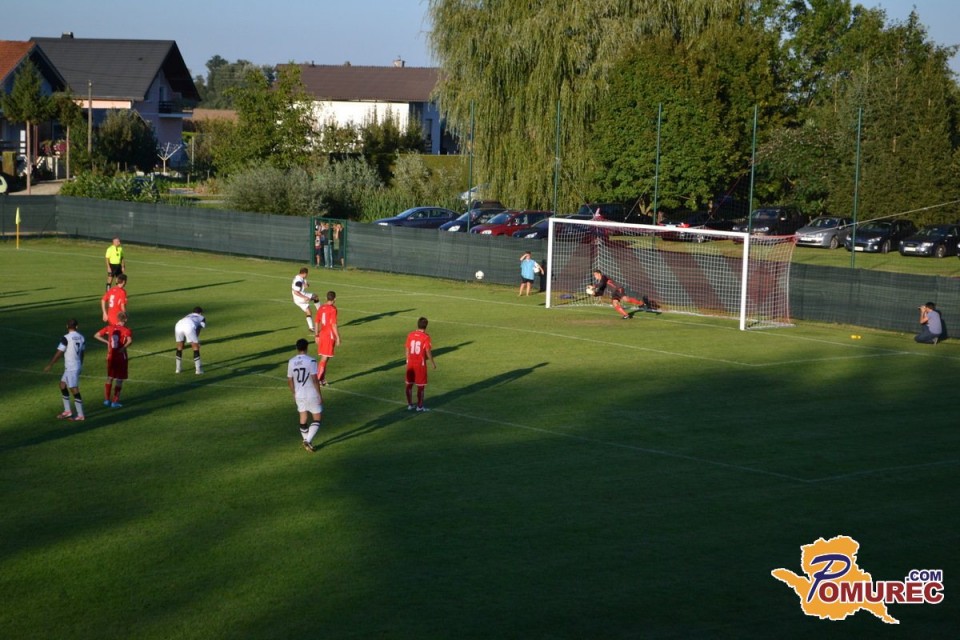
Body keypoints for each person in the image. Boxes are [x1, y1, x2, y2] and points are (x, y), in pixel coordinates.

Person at [43, 318, 86, 421]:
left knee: (74, 389)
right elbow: (82, 353)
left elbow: (59, 352)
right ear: (77, 326)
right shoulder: (81, 337)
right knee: (62, 385)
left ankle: (80, 415)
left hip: (72, 367)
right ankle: (67, 411)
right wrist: (80, 364)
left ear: (67, 326)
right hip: (75, 365)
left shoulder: (66, 338)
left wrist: (50, 364)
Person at [287, 338, 324, 452]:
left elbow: (289, 380)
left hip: (299, 394)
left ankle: (308, 441)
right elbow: (314, 379)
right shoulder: (311, 361)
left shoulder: (291, 361)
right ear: (307, 347)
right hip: (311, 393)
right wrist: (319, 394)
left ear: (297, 348)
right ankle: (307, 440)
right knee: (317, 418)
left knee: (303, 417)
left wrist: (294, 393)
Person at [94, 311, 133, 408]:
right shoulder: (126, 330)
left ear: (117, 318)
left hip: (111, 356)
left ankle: (107, 400)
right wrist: (123, 348)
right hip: (121, 357)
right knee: (119, 379)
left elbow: (96, 335)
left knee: (110, 377)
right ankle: (115, 401)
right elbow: (129, 341)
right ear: (126, 319)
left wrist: (107, 342)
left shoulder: (109, 327)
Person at [405, 316, 436, 412]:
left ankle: (410, 405)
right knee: (421, 386)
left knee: (409, 385)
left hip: (410, 363)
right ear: (426, 326)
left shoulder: (410, 335)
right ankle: (420, 406)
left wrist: (407, 360)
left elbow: (407, 348)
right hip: (420, 365)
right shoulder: (426, 337)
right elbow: (427, 351)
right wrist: (432, 362)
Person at [314, 291, 340, 386]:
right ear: (335, 299)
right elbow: (333, 324)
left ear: (326, 298)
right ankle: (317, 380)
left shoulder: (321, 308)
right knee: (324, 358)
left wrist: (316, 335)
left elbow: (316, 322)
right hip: (329, 335)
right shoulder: (333, 309)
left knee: (326, 357)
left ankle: (322, 379)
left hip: (322, 334)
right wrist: (338, 337)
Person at [175, 307, 206, 374]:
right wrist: (196, 341)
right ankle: (198, 370)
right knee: (195, 347)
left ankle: (178, 369)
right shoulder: (202, 317)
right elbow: (199, 328)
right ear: (200, 313)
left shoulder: (188, 315)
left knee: (180, 346)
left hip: (178, 325)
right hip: (189, 326)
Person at [292, 267, 318, 332]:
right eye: (307, 274)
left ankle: (311, 327)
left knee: (308, 311)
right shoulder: (298, 281)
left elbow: (304, 285)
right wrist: (304, 297)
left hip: (297, 299)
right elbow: (296, 292)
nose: (307, 275)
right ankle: (320, 310)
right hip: (300, 297)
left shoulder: (299, 277)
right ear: (304, 273)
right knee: (315, 296)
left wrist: (306, 285)